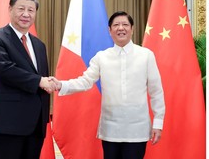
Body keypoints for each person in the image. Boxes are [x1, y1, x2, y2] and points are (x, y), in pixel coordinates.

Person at [52, 11, 165, 159]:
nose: (121, 28)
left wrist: (158, 123)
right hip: (110, 130)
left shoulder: (146, 55)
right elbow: (85, 81)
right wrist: (60, 84)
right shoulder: (101, 57)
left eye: (125, 24)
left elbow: (156, 91)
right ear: (109, 30)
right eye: (116, 25)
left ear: (132, 28)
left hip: (138, 129)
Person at [0, 0, 56, 159]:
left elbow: (40, 77)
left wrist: (47, 81)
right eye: (21, 9)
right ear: (10, 10)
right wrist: (39, 81)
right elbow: (4, 70)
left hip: (35, 125)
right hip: (8, 123)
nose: (26, 14)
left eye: (31, 10)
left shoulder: (39, 45)